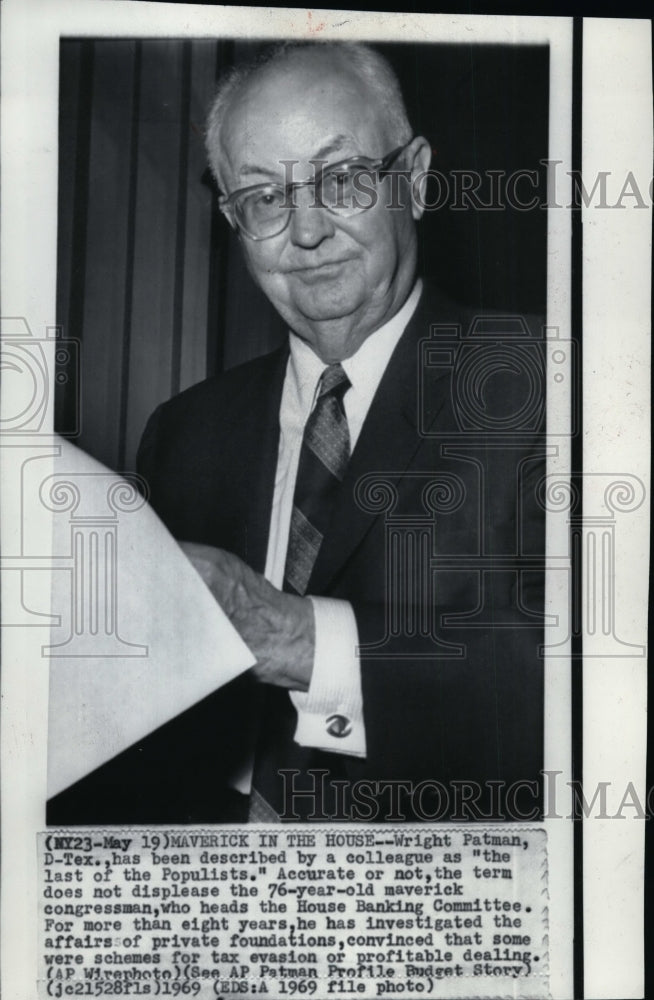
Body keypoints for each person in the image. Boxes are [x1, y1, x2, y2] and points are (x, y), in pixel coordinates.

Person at [48, 41, 545, 825]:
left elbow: (599, 686)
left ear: (412, 179)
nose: (306, 231)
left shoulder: (547, 385)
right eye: (264, 198)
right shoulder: (184, 433)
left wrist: (296, 639)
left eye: (343, 180)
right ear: (232, 220)